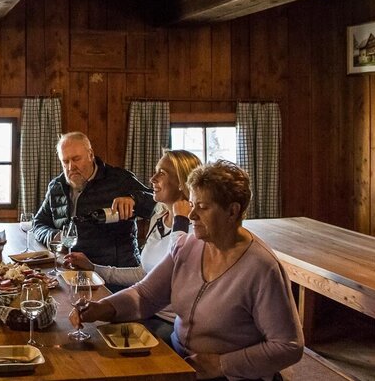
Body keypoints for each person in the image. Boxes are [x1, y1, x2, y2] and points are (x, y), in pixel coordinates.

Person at [71, 160, 303, 380]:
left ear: (232, 211)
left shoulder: (262, 267)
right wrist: (102, 308)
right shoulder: (187, 246)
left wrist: (222, 365)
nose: (191, 216)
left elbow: (288, 346)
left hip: (232, 375)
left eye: (202, 207)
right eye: (192, 205)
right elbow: (146, 295)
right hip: (179, 358)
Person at [64, 150, 200, 341]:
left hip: (174, 325)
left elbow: (175, 268)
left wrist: (181, 220)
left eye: (162, 173)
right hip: (146, 311)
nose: (152, 178)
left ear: (182, 182)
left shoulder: (197, 228)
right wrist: (94, 268)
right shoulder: (159, 215)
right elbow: (144, 275)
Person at [31, 132, 155, 268]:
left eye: (76, 159)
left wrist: (135, 200)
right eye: (65, 162)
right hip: (71, 269)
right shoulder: (57, 186)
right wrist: (54, 236)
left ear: (90, 155)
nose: (71, 167)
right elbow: (38, 223)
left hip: (115, 273)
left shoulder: (119, 180)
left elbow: (160, 204)